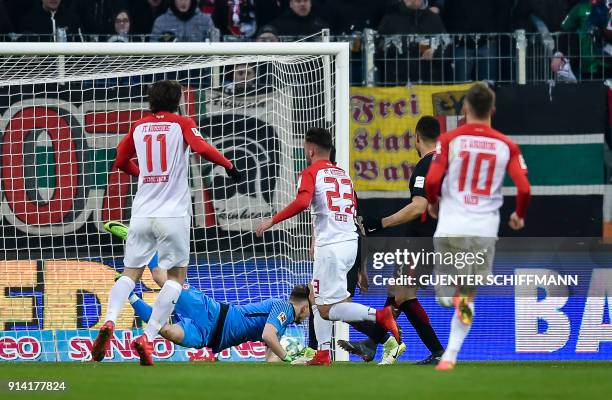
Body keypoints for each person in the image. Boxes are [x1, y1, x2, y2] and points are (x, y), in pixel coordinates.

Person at [90, 80, 243, 366]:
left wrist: (145, 175)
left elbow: (120, 161)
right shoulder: (183, 122)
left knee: (129, 274)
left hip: (142, 212)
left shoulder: (139, 126)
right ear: (178, 100)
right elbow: (201, 147)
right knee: (175, 279)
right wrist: (229, 166)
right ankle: (147, 336)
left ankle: (109, 321)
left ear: (151, 101)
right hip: (172, 214)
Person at [255, 127, 401, 366]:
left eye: (305, 148)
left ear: (311, 149)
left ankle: (380, 316)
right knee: (316, 297)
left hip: (331, 247)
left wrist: (272, 220)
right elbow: (346, 214)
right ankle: (322, 352)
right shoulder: (344, 175)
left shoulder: (310, 172)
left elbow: (303, 202)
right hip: (349, 243)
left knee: (326, 310)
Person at [425, 83, 531, 370]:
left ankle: (449, 297)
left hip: (451, 225)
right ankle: (450, 356)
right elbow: (524, 188)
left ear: (465, 108)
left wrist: (433, 203)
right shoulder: (507, 145)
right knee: (468, 295)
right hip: (484, 229)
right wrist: (519, 215)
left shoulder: (448, 140)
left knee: (445, 293)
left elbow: (433, 181)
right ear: (492, 110)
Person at [340, 116, 446, 365]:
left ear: (417, 137)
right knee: (399, 293)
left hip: (423, 240)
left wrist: (381, 223)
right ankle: (373, 344)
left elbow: (418, 206)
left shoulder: (427, 164)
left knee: (401, 294)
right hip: (430, 238)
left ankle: (375, 342)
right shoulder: (444, 163)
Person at [126, 282, 311, 362]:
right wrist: (289, 357)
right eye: (309, 310)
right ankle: (143, 248)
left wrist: (298, 360)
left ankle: (128, 292)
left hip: (209, 337)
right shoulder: (284, 308)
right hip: (213, 314)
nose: (308, 315)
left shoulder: (281, 323)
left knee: (166, 331)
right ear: (303, 308)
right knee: (165, 280)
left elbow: (271, 356)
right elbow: (268, 336)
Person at [377, 0, 447, 84]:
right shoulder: (390, 17)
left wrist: (435, 52)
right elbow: (379, 47)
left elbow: (447, 46)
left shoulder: (433, 18)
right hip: (397, 83)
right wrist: (400, 45)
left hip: (428, 83)